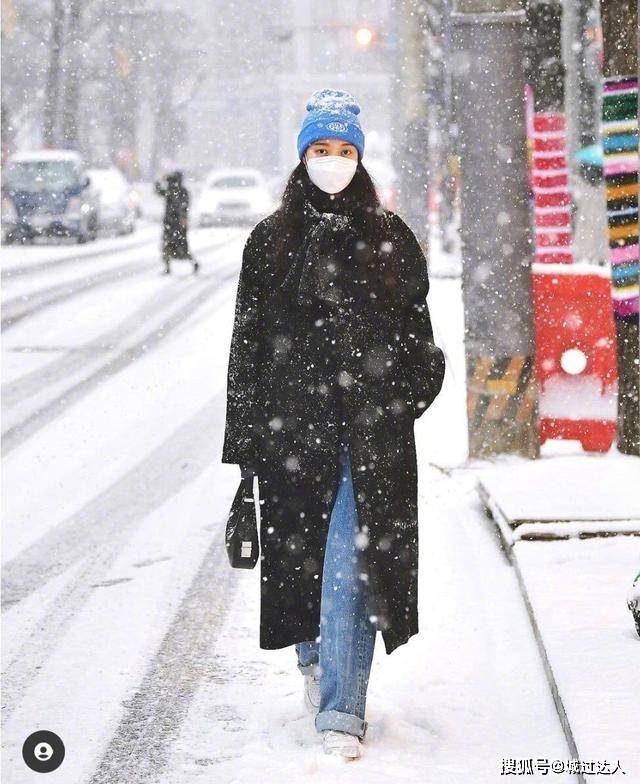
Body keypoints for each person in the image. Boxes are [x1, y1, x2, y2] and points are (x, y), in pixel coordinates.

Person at [221, 89, 445, 760]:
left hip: (370, 440)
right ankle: (318, 667)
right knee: (303, 565)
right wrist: (246, 447)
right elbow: (247, 348)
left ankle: (342, 712)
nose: (332, 161)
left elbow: (420, 343)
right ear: (301, 157)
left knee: (352, 564)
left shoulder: (389, 237)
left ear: (360, 158)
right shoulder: (271, 241)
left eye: (344, 150)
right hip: (291, 437)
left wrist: (398, 401)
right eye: (321, 149)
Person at [154, 170, 199, 275]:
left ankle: (193, 263)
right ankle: (168, 267)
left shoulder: (180, 191)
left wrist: (183, 218)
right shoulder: (172, 190)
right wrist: (159, 182)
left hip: (177, 223)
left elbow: (184, 206)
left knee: (181, 247)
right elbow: (159, 191)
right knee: (168, 245)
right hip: (170, 223)